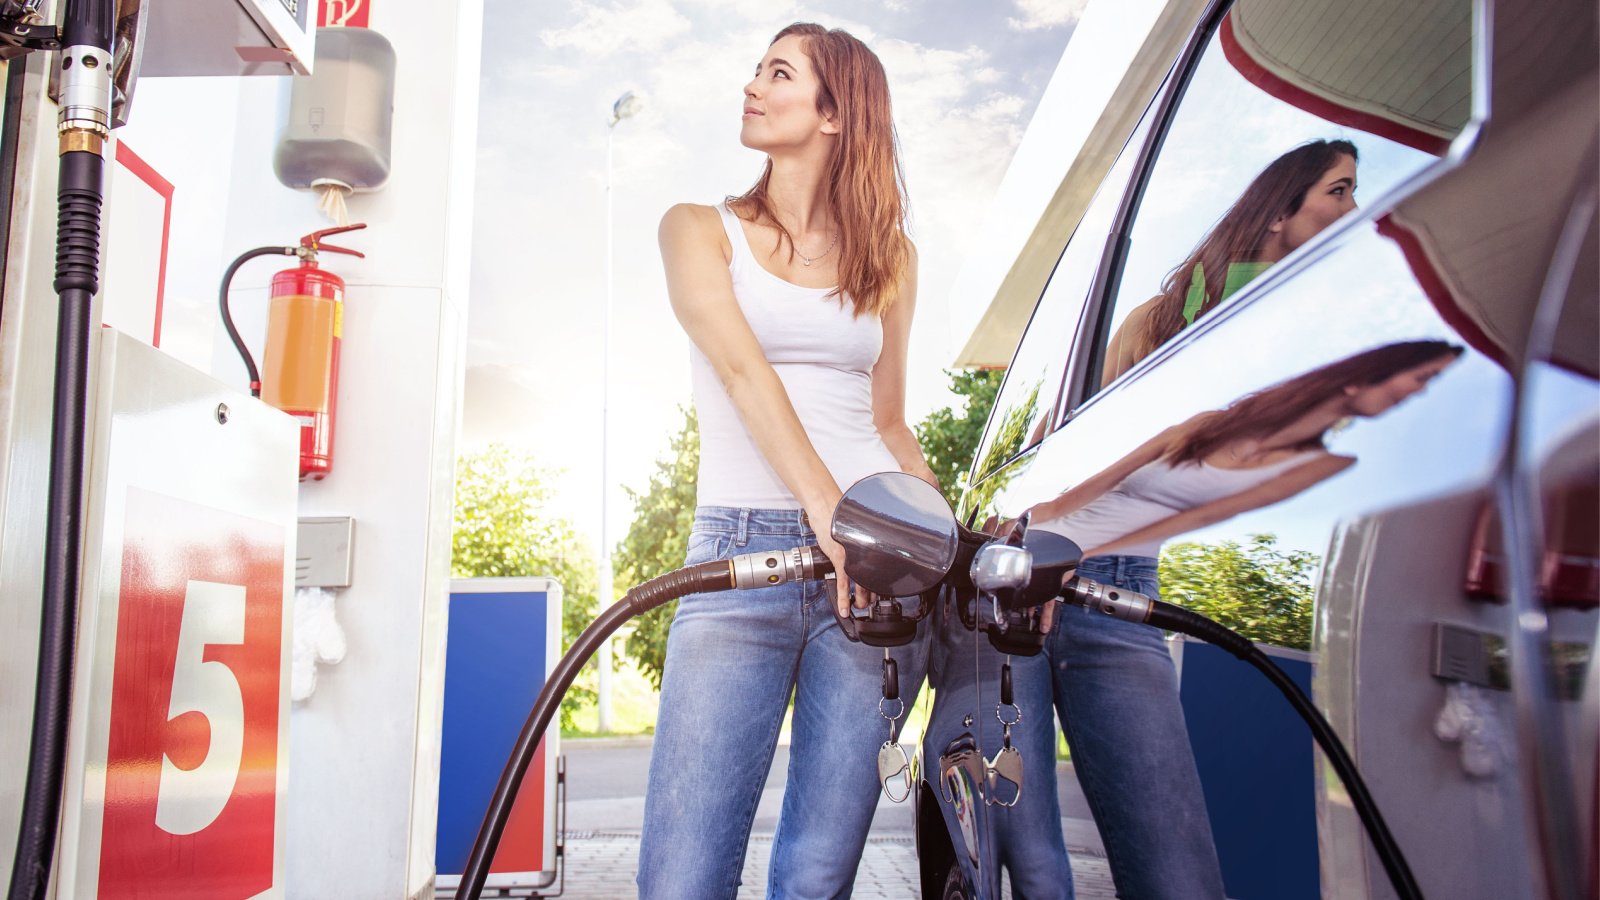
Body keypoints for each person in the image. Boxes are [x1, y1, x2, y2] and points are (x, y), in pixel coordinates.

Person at [986, 340, 1463, 900]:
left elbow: (1205, 516)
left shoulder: (1327, 464)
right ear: (1362, 377)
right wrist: (1026, 533)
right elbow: (1091, 489)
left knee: (1176, 874)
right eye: (1420, 377)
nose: (1420, 393)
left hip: (1117, 598)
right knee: (1032, 861)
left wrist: (1072, 563)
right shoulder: (1208, 424)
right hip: (1026, 579)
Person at [637, 22, 938, 900]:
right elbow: (742, 369)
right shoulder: (699, 230)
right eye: (756, 71)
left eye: (777, 72)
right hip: (741, 558)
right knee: (684, 879)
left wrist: (937, 540)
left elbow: (889, 423)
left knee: (816, 876)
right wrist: (828, 514)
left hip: (874, 568)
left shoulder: (892, 258)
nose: (751, 86)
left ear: (837, 113)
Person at [1102, 139, 1360, 385]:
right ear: (1279, 214)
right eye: (1338, 191)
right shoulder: (1151, 322)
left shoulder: (1330, 315)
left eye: (1352, 193)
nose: (1355, 210)